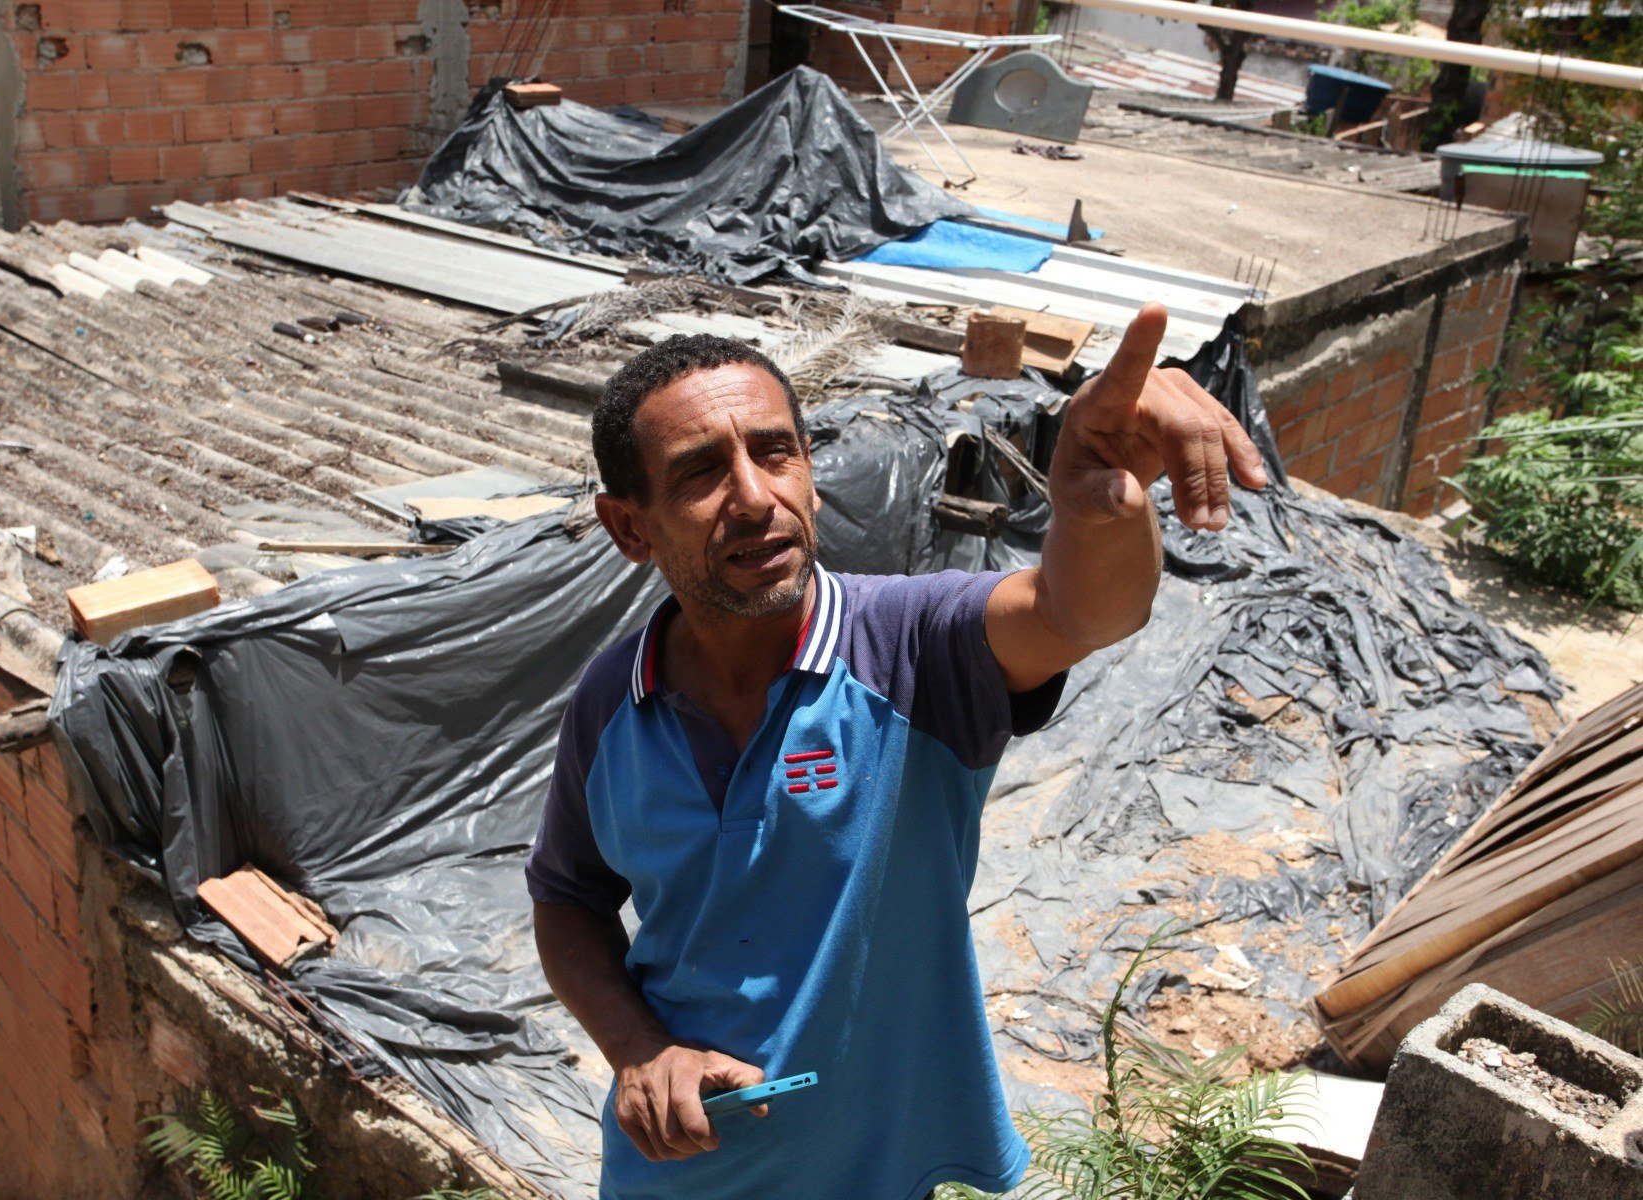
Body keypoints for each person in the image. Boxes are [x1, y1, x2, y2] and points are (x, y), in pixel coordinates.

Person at [524, 304, 1269, 1200]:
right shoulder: (614, 698)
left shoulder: (911, 649)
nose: (756, 497)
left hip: (871, 1170)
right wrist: (638, 1050)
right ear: (630, 528)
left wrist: (1094, 503)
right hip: (675, 1170)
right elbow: (568, 896)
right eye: (698, 473)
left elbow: (1080, 611)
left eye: (775, 452)